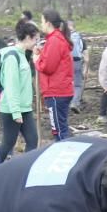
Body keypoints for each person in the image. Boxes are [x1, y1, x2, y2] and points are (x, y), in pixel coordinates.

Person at [0, 19, 40, 161]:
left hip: (25, 108)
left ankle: (25, 170)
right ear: (28, 38)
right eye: (36, 39)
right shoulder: (12, 57)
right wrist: (15, 112)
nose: (37, 43)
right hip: (11, 109)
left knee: (33, 140)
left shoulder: (22, 55)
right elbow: (11, 87)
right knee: (8, 143)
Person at [34, 9, 74, 141]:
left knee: (59, 131)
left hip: (57, 92)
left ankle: (65, 156)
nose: (41, 25)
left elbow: (48, 67)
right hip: (59, 90)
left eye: (42, 21)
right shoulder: (55, 40)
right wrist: (42, 54)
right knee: (60, 128)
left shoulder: (55, 41)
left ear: (48, 22)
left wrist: (36, 61)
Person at [68, 19, 88, 115]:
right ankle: (75, 103)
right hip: (77, 62)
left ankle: (67, 102)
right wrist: (85, 68)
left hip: (66, 63)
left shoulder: (63, 36)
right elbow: (86, 54)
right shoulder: (79, 36)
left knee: (67, 83)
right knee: (77, 85)